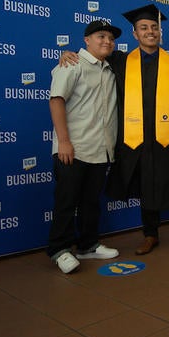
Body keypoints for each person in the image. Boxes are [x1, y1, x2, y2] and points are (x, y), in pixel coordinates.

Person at [61, 4, 169, 255]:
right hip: (136, 139)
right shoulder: (122, 61)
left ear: (160, 33)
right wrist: (68, 53)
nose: (150, 32)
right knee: (146, 185)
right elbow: (93, 54)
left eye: (154, 28)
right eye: (144, 28)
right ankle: (150, 234)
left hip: (167, 136)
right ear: (135, 34)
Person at [46, 20, 122, 274]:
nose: (107, 41)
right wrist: (64, 142)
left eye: (111, 38)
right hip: (73, 149)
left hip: (100, 150)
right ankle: (60, 250)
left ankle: (88, 246)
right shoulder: (71, 64)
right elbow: (56, 100)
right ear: (86, 40)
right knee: (66, 202)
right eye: (101, 36)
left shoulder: (112, 68)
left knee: (91, 202)